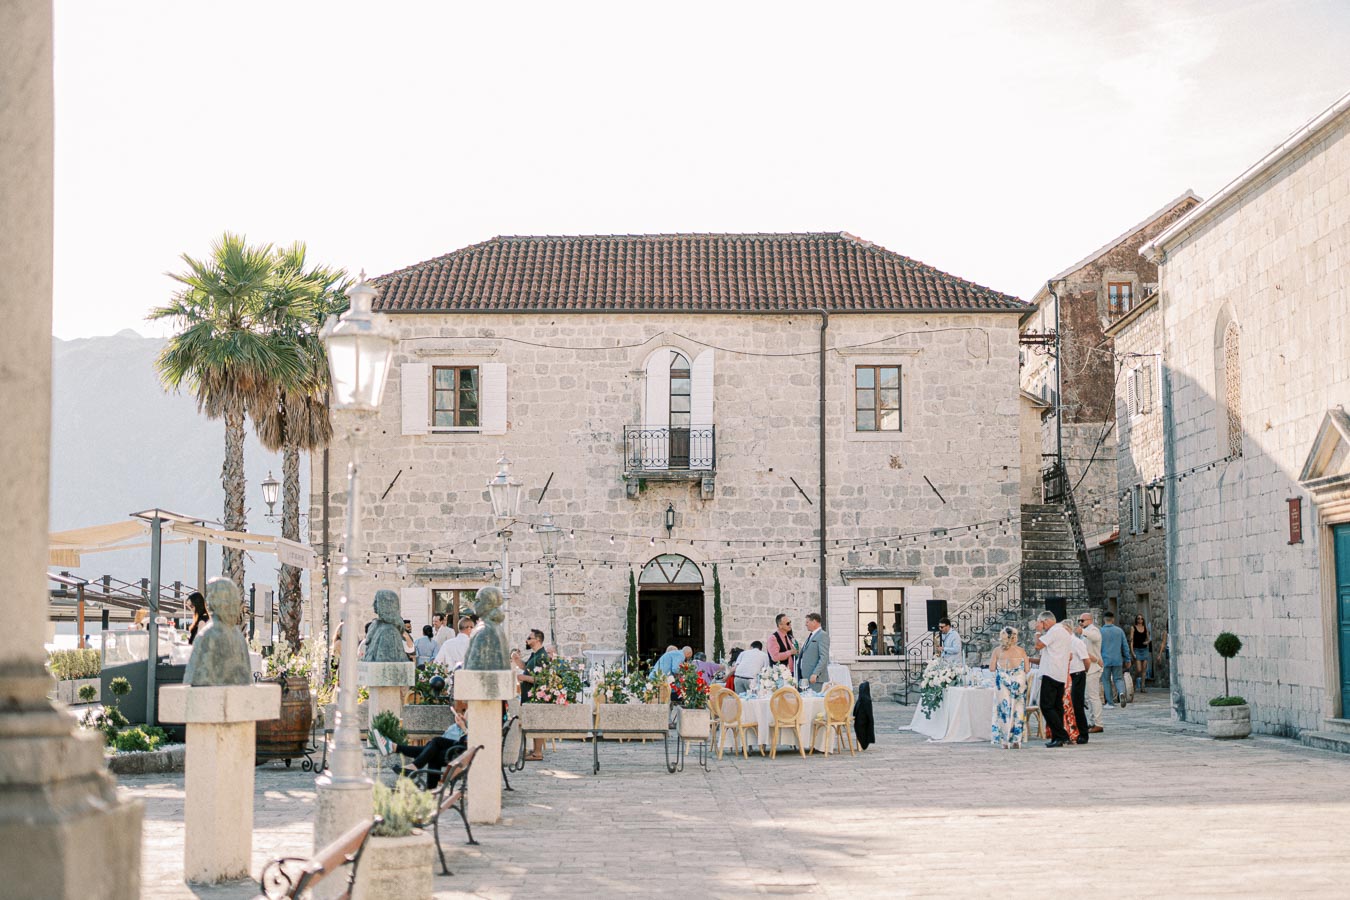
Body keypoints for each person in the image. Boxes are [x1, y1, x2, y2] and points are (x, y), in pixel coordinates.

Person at [382, 706, 469, 789]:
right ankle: (431, 791)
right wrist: (464, 722)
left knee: (435, 743)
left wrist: (463, 727)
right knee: (433, 750)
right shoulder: (471, 711)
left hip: (459, 752)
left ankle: (404, 756)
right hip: (456, 749)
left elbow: (472, 739)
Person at [1033, 611, 1071, 748]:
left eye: (1041, 622)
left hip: (1051, 672)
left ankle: (1061, 734)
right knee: (1057, 707)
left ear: (1046, 621)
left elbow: (1038, 645)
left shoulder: (1054, 631)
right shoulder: (1063, 631)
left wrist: (1038, 632)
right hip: (1059, 672)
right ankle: (1059, 736)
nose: (1040, 625)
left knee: (1046, 705)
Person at [989, 626, 1030, 749]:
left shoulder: (997, 651)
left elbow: (991, 668)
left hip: (1002, 683)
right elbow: (1027, 669)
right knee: (1018, 709)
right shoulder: (1021, 651)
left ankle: (1005, 741)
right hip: (1018, 682)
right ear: (1013, 638)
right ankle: (1017, 739)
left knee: (1003, 710)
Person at [515, 629, 549, 761]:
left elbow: (542, 679)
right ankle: (535, 751)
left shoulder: (542, 656)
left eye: (529, 638)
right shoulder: (535, 655)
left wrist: (523, 678)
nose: (527, 641)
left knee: (537, 722)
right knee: (534, 722)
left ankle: (537, 752)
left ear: (538, 640)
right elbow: (527, 669)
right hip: (528, 693)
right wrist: (517, 660)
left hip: (535, 694)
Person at [1064, 620, 1091, 744]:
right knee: (1068, 704)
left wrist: (1083, 671)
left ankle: (1083, 733)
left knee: (1077, 704)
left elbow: (1086, 660)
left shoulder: (1077, 643)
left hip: (1078, 673)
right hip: (1067, 674)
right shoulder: (1064, 643)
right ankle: (1070, 731)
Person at [1078, 612, 1104, 733]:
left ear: (1090, 620)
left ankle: (1098, 723)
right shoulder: (1085, 633)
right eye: (1079, 621)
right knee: (1089, 696)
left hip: (1093, 667)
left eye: (1082, 621)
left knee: (1093, 696)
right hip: (1088, 666)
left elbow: (1095, 638)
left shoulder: (1093, 630)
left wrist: (1082, 631)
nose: (1080, 623)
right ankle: (1093, 721)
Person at [1099, 612, 1132, 708]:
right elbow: (1125, 646)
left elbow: (1098, 647)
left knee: (1106, 680)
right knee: (1118, 678)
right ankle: (1121, 692)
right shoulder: (1119, 631)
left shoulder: (1100, 632)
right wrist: (1127, 659)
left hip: (1104, 660)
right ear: (1113, 619)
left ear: (1104, 619)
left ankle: (1110, 702)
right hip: (1117, 659)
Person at [797, 612, 830, 689]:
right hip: (805, 678)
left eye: (807, 622)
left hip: (814, 679)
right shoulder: (812, 635)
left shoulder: (822, 635)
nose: (806, 624)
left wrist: (815, 673)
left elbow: (824, 657)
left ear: (814, 622)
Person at [1131, 615, 1152, 693]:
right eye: (1138, 618)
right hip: (1136, 649)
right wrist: (1132, 651)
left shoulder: (1145, 628)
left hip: (1144, 649)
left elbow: (1149, 638)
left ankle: (1143, 687)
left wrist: (1147, 642)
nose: (1140, 620)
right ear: (1136, 619)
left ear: (1143, 620)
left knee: (1144, 669)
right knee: (1138, 669)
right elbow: (1131, 640)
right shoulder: (1133, 628)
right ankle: (1133, 682)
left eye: (1141, 618)